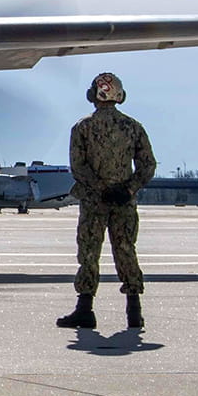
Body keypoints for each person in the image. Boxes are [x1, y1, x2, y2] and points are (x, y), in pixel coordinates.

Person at [58, 72, 156, 330]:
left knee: (90, 252)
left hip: (94, 201)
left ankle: (85, 309)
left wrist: (100, 188)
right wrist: (128, 189)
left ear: (93, 95)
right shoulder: (133, 127)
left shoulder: (82, 127)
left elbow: (78, 167)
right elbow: (147, 165)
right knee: (125, 249)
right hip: (124, 201)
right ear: (120, 95)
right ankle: (134, 311)